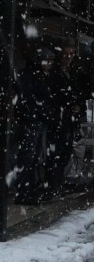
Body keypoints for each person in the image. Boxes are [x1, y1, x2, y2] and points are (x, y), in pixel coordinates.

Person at [13, 47, 58, 204]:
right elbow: (27, 99)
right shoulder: (31, 76)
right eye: (46, 60)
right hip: (33, 120)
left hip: (38, 119)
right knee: (29, 156)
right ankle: (24, 191)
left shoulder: (41, 76)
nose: (48, 64)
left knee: (32, 156)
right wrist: (36, 113)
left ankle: (27, 189)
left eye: (50, 61)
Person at [47, 43, 87, 194]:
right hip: (58, 117)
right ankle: (54, 184)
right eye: (66, 53)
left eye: (71, 54)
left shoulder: (74, 72)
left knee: (65, 151)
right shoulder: (56, 72)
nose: (68, 57)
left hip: (70, 118)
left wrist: (79, 106)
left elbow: (80, 92)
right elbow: (56, 94)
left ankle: (59, 183)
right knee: (56, 152)